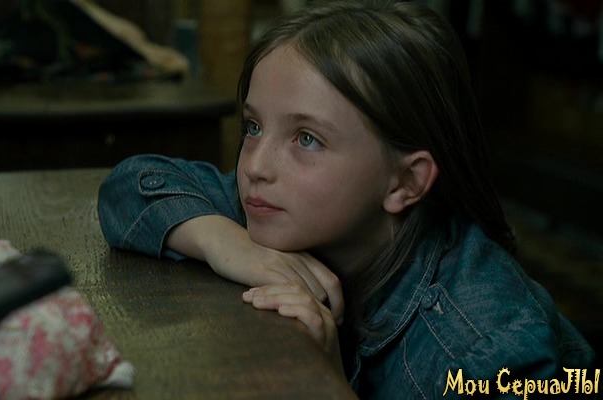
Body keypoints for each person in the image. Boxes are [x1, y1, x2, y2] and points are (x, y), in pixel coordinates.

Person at [97, 0, 596, 398]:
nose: (255, 166)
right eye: (253, 127)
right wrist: (228, 244)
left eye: (307, 139)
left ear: (404, 183)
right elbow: (129, 185)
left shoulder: (485, 350)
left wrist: (327, 386)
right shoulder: (286, 207)